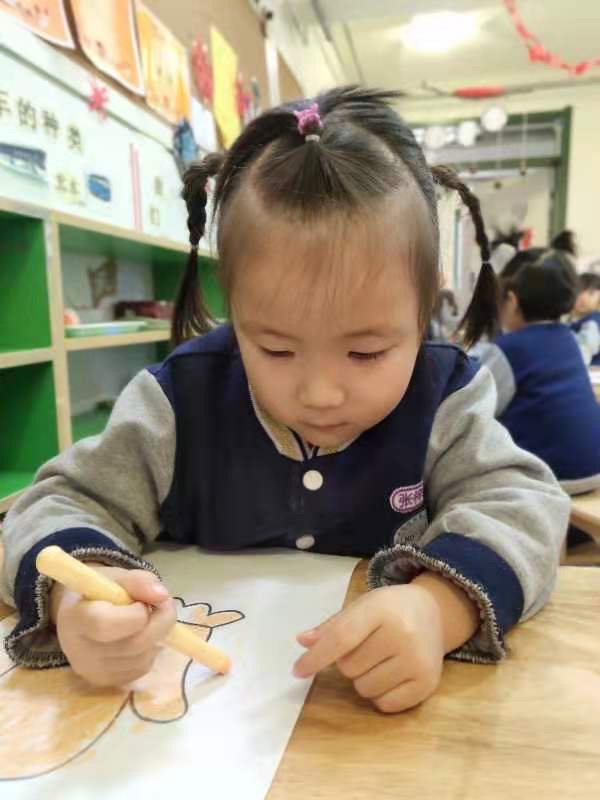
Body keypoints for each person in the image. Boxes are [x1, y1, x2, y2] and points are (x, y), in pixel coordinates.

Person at [1, 88, 568, 714]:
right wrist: (77, 600)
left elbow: (525, 507)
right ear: (234, 309)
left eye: (366, 353)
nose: (320, 393)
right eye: (274, 349)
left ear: (424, 307)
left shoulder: (446, 399)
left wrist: (438, 608)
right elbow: (56, 504)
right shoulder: (177, 402)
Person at [478, 248, 600, 495]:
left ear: (511, 300)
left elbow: (476, 411)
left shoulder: (508, 348)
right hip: (593, 468)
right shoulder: (568, 338)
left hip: (547, 477)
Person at [570, 272, 600, 366]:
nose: (583, 299)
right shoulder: (574, 321)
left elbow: (584, 352)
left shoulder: (593, 321)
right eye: (579, 293)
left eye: (591, 294)